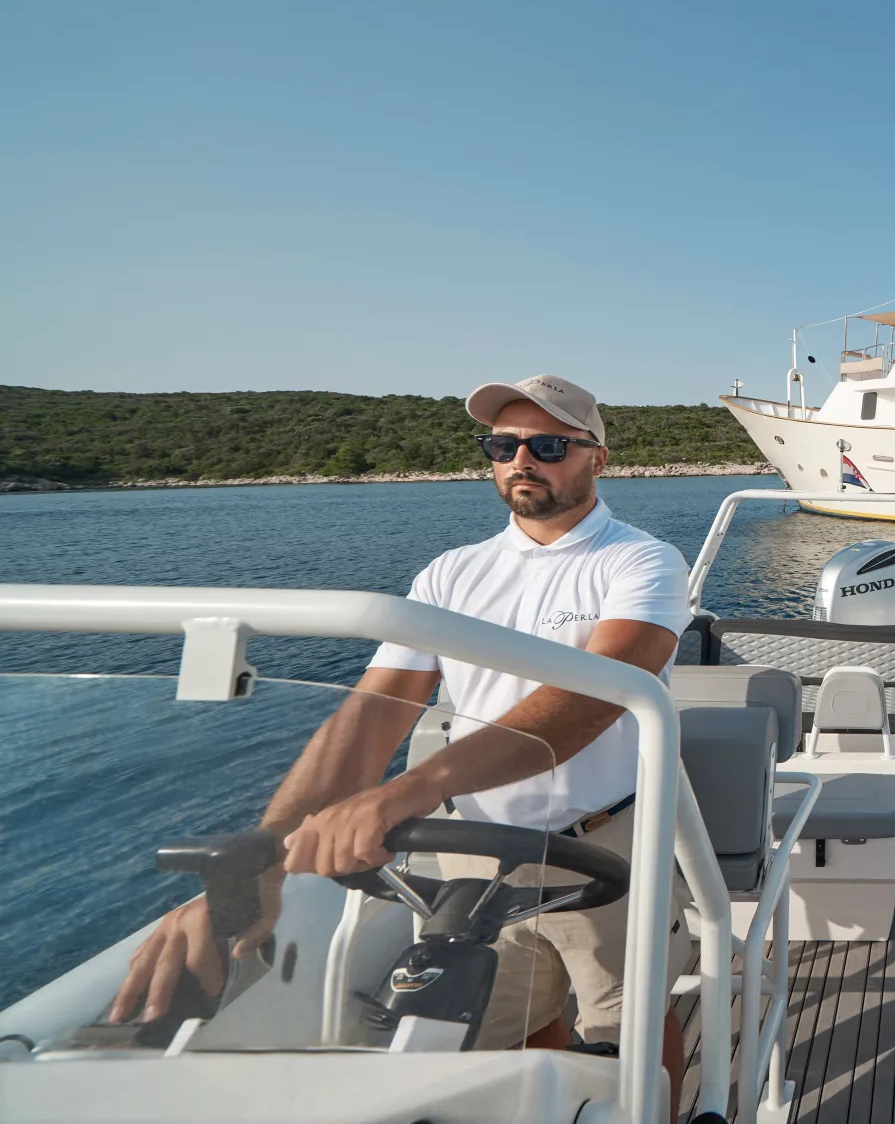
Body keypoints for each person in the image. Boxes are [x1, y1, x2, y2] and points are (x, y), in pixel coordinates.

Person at [113, 373, 693, 1091]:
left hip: (607, 837)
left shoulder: (640, 560)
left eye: (547, 444)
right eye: (502, 444)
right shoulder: (449, 575)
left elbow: (594, 696)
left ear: (596, 458)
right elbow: (369, 716)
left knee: (629, 1026)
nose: (522, 460)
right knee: (504, 1025)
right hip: (480, 850)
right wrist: (260, 858)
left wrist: (404, 794)